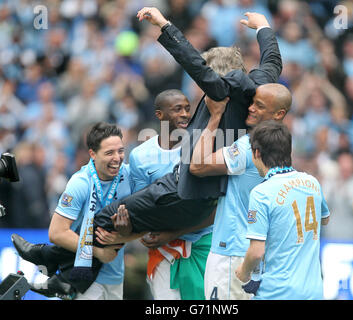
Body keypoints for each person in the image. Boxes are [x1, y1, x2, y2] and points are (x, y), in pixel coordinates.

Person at [12, 7, 281, 294]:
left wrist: (164, 24)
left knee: (105, 219)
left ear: (216, 75)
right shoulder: (258, 88)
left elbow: (192, 63)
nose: (198, 88)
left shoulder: (221, 92)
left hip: (183, 192)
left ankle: (47, 258)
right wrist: (264, 26)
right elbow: (273, 61)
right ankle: (64, 280)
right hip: (198, 200)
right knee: (111, 229)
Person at [97, 89, 213, 300]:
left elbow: (216, 206)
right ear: (159, 115)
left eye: (188, 109)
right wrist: (128, 229)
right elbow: (144, 209)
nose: (185, 114)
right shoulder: (141, 156)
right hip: (163, 248)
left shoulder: (203, 147)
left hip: (204, 244)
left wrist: (175, 233)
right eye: (178, 109)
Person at [12, 122, 140, 299]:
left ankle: (44, 255)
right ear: (92, 154)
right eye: (109, 153)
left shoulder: (130, 176)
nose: (117, 158)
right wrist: (98, 252)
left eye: (120, 151)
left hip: (115, 276)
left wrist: (121, 237)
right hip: (83, 278)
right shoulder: (80, 182)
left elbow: (146, 225)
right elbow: (56, 233)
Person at [189, 83, 292, 300]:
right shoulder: (283, 147)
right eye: (252, 102)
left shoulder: (249, 147)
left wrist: (214, 117)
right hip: (257, 254)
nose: (251, 108)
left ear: (279, 114)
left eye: (259, 106)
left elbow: (197, 166)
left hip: (232, 253)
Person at [235, 120, 330, 300]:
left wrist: (243, 272)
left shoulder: (261, 193)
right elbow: (324, 219)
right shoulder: (312, 182)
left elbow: (256, 251)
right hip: (314, 292)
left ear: (256, 153)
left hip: (277, 292)